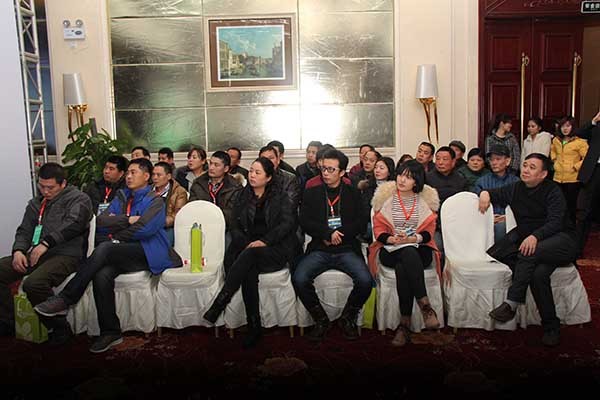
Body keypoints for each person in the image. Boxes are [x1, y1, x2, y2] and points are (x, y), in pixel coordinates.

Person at [34, 158, 182, 353]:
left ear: (147, 176)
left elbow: (145, 229)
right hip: (121, 252)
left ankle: (66, 298)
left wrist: (116, 235)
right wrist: (127, 220)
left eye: (133, 173)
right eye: (127, 173)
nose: (128, 176)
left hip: (147, 251)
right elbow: (101, 222)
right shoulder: (121, 196)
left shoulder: (155, 200)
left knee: (105, 248)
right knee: (101, 273)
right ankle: (110, 332)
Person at [481, 153, 577, 347]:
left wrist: (535, 236)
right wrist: (485, 195)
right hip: (535, 244)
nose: (525, 170)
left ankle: (512, 303)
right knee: (537, 275)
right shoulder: (516, 188)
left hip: (561, 240)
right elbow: (492, 193)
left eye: (532, 167)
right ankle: (551, 327)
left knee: (528, 252)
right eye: (525, 165)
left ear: (543, 174)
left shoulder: (553, 190)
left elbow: (556, 222)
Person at [203, 157, 299, 348]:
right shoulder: (242, 195)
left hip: (274, 249)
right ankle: (254, 326)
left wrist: (264, 241)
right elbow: (235, 226)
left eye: (257, 172)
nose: (252, 175)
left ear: (268, 177)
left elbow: (287, 225)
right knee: (249, 267)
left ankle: (222, 301)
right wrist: (247, 244)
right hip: (248, 250)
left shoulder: (281, 197)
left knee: (249, 257)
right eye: (251, 171)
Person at [0, 163, 92, 343]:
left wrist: (46, 243)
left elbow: (74, 224)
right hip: (36, 253)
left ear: (63, 183)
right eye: (41, 186)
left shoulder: (79, 199)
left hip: (66, 254)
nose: (45, 191)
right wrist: (18, 250)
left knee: (34, 283)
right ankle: (9, 320)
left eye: (50, 187)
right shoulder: (36, 203)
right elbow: (25, 230)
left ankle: (58, 327)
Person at [293, 149, 372, 342]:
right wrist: (327, 234)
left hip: (346, 248)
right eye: (323, 169)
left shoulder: (354, 193)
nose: (325, 173)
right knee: (299, 278)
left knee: (365, 281)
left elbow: (361, 222)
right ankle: (321, 319)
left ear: (342, 172)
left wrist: (339, 235)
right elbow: (305, 220)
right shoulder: (312, 193)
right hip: (320, 247)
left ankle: (348, 317)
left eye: (331, 169)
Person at [368, 160, 441, 346]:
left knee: (404, 263)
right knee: (406, 255)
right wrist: (391, 239)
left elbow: (429, 232)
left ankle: (404, 325)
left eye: (408, 177)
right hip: (390, 249)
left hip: (418, 249)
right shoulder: (387, 200)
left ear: (416, 181)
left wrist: (413, 238)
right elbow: (378, 231)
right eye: (400, 175)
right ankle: (425, 306)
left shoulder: (424, 202)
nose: (401, 180)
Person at [425, 146, 468, 263]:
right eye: (438, 159)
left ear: (453, 162)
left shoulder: (461, 179)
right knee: (438, 247)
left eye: (445, 159)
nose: (440, 162)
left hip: (456, 224)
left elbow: (464, 202)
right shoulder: (427, 178)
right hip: (435, 225)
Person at [474, 145, 520, 241]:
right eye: (491, 159)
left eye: (498, 159)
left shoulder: (516, 182)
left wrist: (507, 217)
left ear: (507, 161)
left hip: (510, 221)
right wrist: (489, 217)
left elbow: (521, 205)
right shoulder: (481, 182)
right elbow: (475, 205)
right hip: (485, 219)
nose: (494, 163)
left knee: (501, 227)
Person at [189, 151, 242, 230]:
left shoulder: (235, 187)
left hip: (226, 228)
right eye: (210, 163)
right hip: (201, 225)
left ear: (226, 168)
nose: (211, 168)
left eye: (216, 165)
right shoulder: (198, 183)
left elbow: (231, 214)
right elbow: (192, 207)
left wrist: (211, 217)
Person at [551, 117, 588, 224]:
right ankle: (558, 224)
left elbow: (587, 158)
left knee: (571, 204)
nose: (565, 129)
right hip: (558, 177)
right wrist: (554, 160)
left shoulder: (580, 142)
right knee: (558, 203)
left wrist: (575, 166)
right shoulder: (556, 140)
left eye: (568, 126)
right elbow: (552, 150)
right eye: (563, 126)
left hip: (572, 178)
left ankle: (571, 226)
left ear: (573, 127)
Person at [575, 109, 600, 258]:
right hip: (593, 171)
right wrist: (594, 120)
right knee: (584, 212)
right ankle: (577, 249)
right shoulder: (596, 127)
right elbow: (579, 132)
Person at [359, 157, 395, 242]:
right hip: (371, 221)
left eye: (381, 168)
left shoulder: (395, 188)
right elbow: (364, 210)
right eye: (376, 167)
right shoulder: (367, 187)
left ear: (389, 172)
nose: (377, 170)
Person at [152, 162, 187, 246]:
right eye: (153, 175)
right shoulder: (148, 189)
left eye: (159, 175)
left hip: (168, 226)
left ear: (168, 176)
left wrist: (160, 222)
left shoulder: (179, 192)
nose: (155, 178)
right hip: (148, 225)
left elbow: (177, 215)